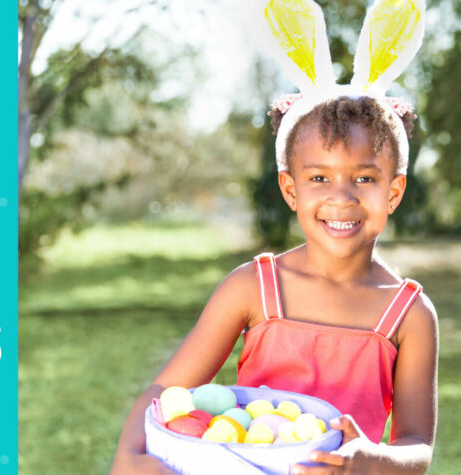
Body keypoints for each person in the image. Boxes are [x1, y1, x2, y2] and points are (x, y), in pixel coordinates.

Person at [112, 1, 436, 473]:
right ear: (290, 188)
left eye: (364, 179)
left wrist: (367, 460)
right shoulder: (252, 287)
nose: (341, 198)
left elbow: (415, 447)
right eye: (319, 179)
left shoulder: (409, 315)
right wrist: (129, 458)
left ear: (394, 191)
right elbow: (166, 393)